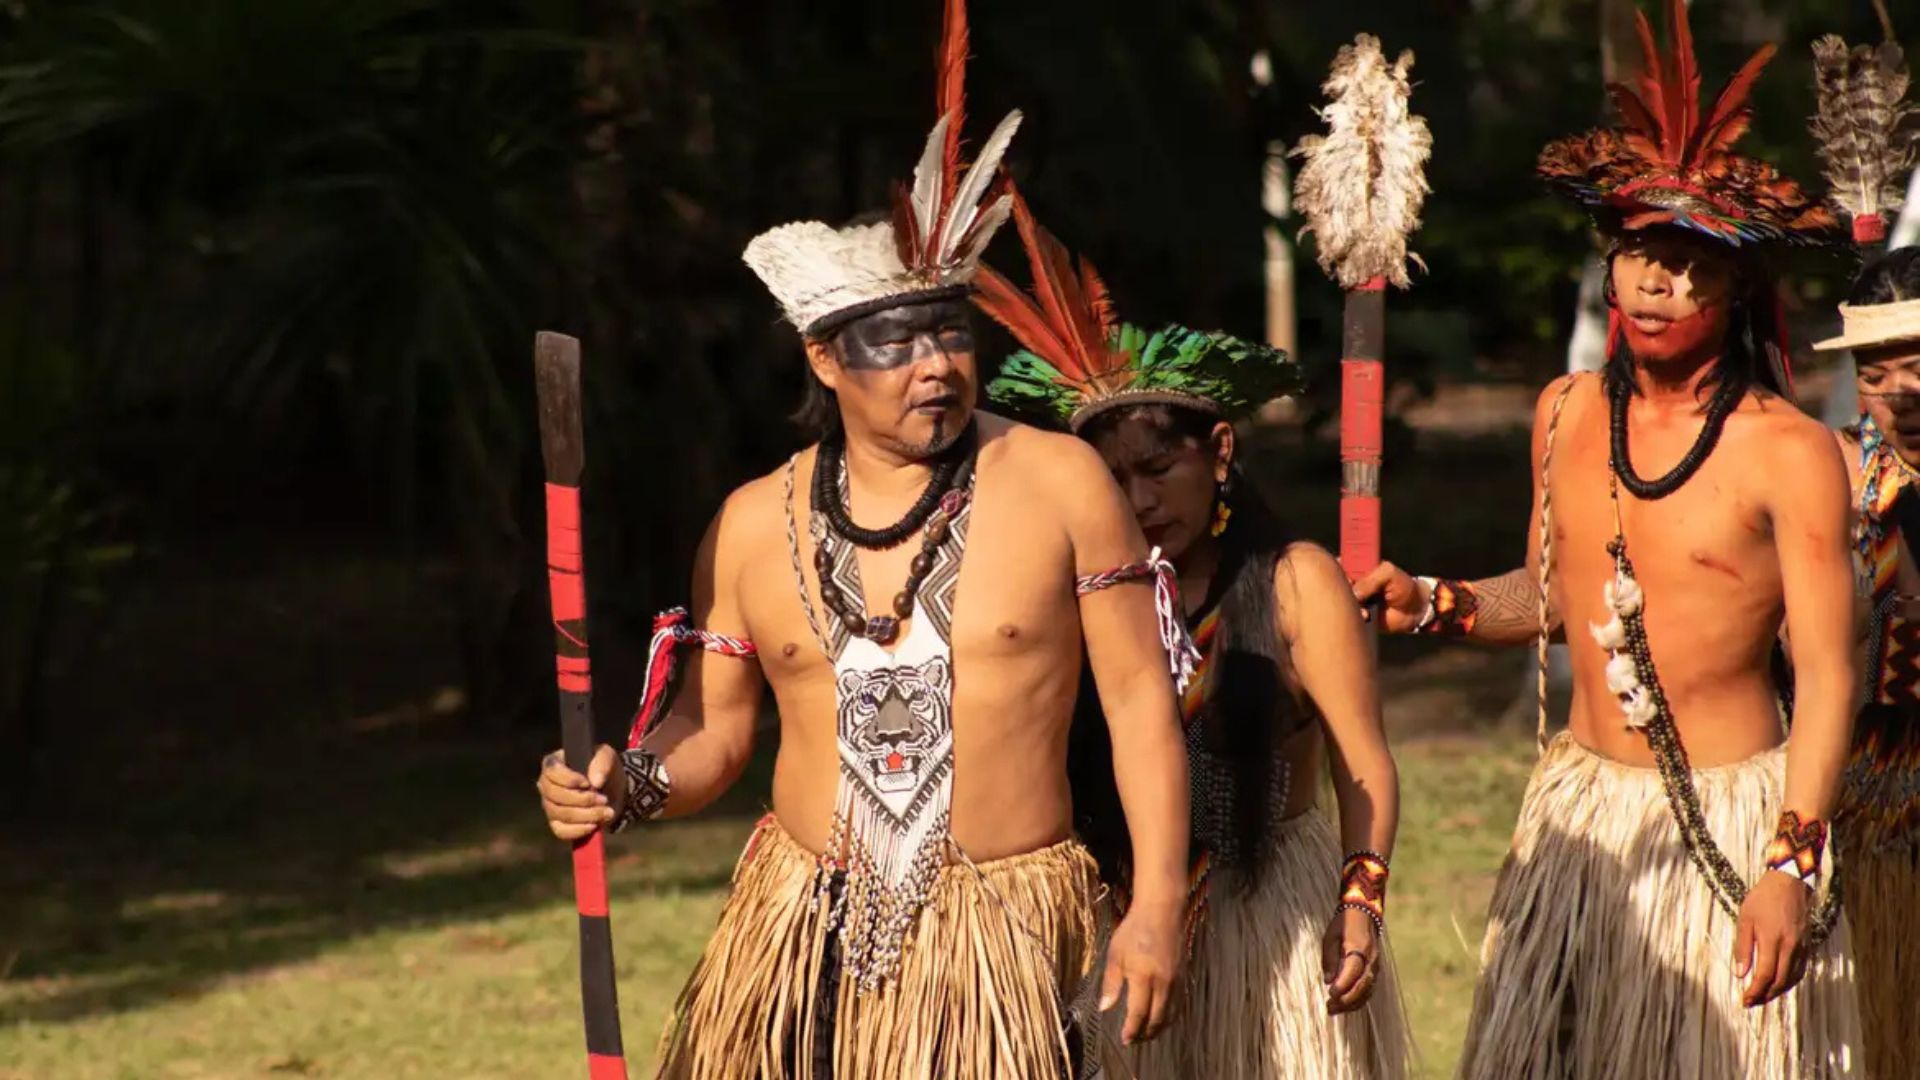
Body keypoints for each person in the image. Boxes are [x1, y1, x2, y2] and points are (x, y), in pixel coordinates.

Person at [534, 5, 1191, 1076]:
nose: (936, 365)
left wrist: (1155, 903)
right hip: (803, 940)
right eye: (898, 343)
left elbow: (1138, 702)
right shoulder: (752, 523)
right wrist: (627, 785)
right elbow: (713, 730)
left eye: (952, 334)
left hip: (1005, 941)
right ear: (824, 359)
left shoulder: (1059, 479)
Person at [1352, 3, 1862, 1076]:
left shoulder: (1791, 451)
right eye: (1641, 258)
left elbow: (1827, 675)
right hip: (1581, 825)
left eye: (1691, 267)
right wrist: (1435, 603)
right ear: (1609, 264)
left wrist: (1790, 863)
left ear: (1738, 286)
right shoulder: (1566, 412)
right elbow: (1551, 596)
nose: (1661, 287)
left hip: (1729, 821)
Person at [974, 192, 1412, 1078]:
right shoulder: (1081, 597)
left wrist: (1360, 900)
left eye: (1158, 468)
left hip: (1271, 921)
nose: (1138, 502)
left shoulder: (1295, 583)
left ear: (1218, 452)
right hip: (1120, 917)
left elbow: (1363, 760)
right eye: (1112, 479)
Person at [1816, 247, 1920, 1078]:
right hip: (1864, 821)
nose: (1901, 395)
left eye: (1918, 367)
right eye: (1876, 374)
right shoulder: (1828, 479)